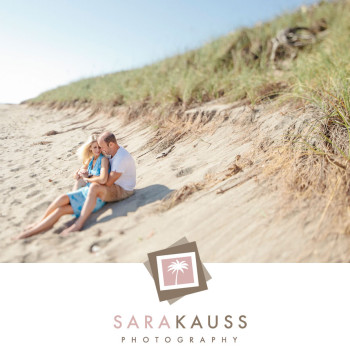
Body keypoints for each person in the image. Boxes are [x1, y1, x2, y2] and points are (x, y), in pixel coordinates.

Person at [13, 135, 110, 240]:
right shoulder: (90, 160)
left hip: (95, 196)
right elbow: (75, 176)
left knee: (60, 210)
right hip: (85, 191)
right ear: (90, 148)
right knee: (61, 198)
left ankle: (30, 233)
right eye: (94, 147)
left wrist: (87, 178)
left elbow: (103, 179)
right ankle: (40, 222)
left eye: (99, 147)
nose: (97, 150)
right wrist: (78, 174)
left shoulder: (103, 160)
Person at [60, 131, 136, 236]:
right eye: (97, 147)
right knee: (81, 180)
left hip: (123, 190)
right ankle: (75, 204)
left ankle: (79, 223)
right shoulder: (111, 151)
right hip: (114, 184)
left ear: (111, 144)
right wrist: (80, 173)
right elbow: (87, 171)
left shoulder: (120, 158)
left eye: (101, 147)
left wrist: (88, 178)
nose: (100, 149)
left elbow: (107, 182)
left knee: (94, 187)